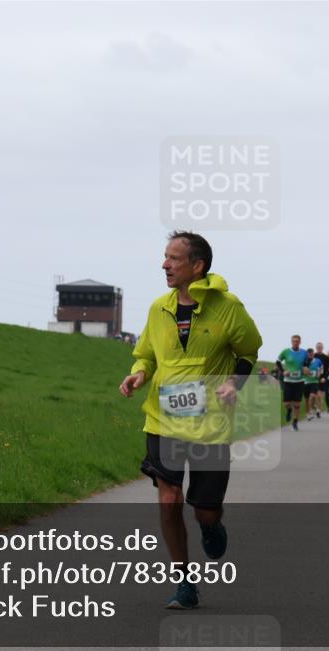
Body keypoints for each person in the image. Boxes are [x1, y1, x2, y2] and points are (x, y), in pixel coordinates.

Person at [120, 231, 262, 610]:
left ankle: (211, 525)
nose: (164, 264)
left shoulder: (227, 307)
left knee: (204, 510)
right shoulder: (158, 309)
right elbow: (146, 355)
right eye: (165, 257)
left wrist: (234, 383)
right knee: (169, 499)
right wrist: (138, 374)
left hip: (210, 423)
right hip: (163, 418)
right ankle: (184, 581)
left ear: (197, 266)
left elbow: (248, 351)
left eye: (173, 258)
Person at [277, 335, 307, 431]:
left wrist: (305, 368)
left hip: (299, 381)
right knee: (286, 403)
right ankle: (289, 410)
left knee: (297, 404)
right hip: (288, 381)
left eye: (297, 341)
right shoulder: (286, 352)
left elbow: (306, 363)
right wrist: (283, 371)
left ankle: (295, 422)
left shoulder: (304, 352)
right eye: (294, 341)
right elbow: (278, 361)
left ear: (300, 342)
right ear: (291, 342)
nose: (295, 342)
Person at [303, 347, 322, 420]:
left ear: (313, 354)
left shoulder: (318, 361)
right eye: (309, 354)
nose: (310, 355)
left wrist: (319, 373)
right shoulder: (304, 361)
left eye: (311, 353)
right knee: (307, 399)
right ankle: (309, 413)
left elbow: (321, 368)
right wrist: (305, 371)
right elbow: (302, 370)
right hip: (306, 382)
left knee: (312, 396)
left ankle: (311, 411)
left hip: (314, 382)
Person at [313, 342, 329, 415]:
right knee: (315, 395)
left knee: (321, 396)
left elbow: (328, 369)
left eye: (320, 347)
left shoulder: (326, 358)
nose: (319, 348)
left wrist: (325, 378)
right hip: (314, 378)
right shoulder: (313, 356)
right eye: (318, 347)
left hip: (323, 378)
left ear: (322, 348)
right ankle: (316, 407)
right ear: (316, 348)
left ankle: (318, 410)